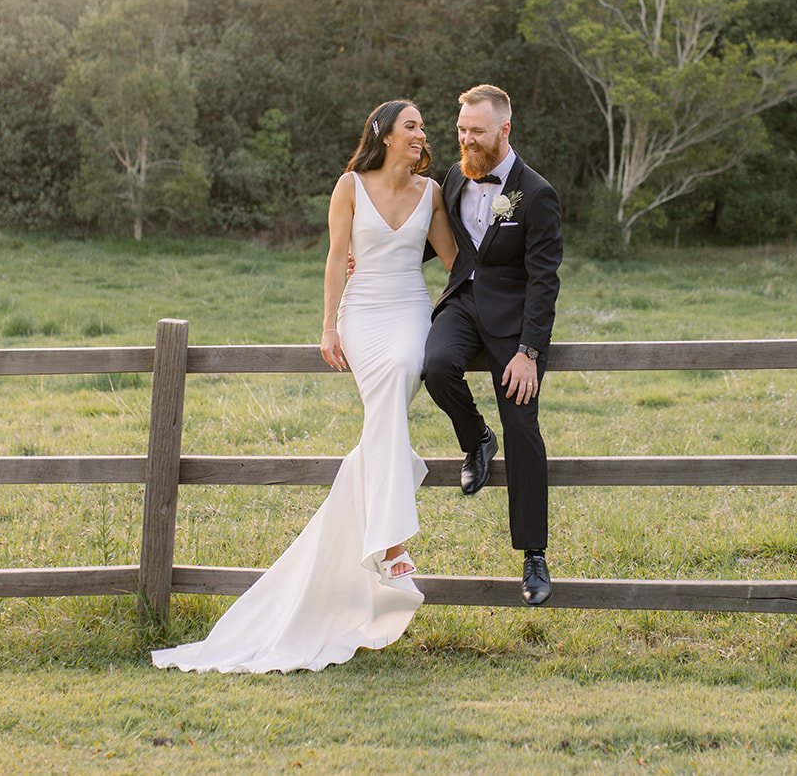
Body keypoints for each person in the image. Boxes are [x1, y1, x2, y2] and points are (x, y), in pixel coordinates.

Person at [152, 99, 457, 673]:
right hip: (362, 312)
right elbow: (336, 255)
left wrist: (472, 317)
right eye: (411, 125)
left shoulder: (434, 192)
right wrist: (327, 325)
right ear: (384, 133)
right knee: (387, 390)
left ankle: (386, 547)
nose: (422, 134)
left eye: (422, 127)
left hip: (412, 310)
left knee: (394, 387)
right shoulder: (349, 185)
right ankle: (389, 546)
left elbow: (453, 261)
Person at [423, 84, 563, 606]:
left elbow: (544, 278)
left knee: (523, 427)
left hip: (514, 325)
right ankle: (476, 437)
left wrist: (529, 351)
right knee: (435, 365)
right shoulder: (456, 175)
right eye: (461, 130)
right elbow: (440, 240)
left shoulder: (537, 193)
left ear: (505, 129)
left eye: (476, 131)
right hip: (463, 304)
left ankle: (533, 555)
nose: (466, 140)